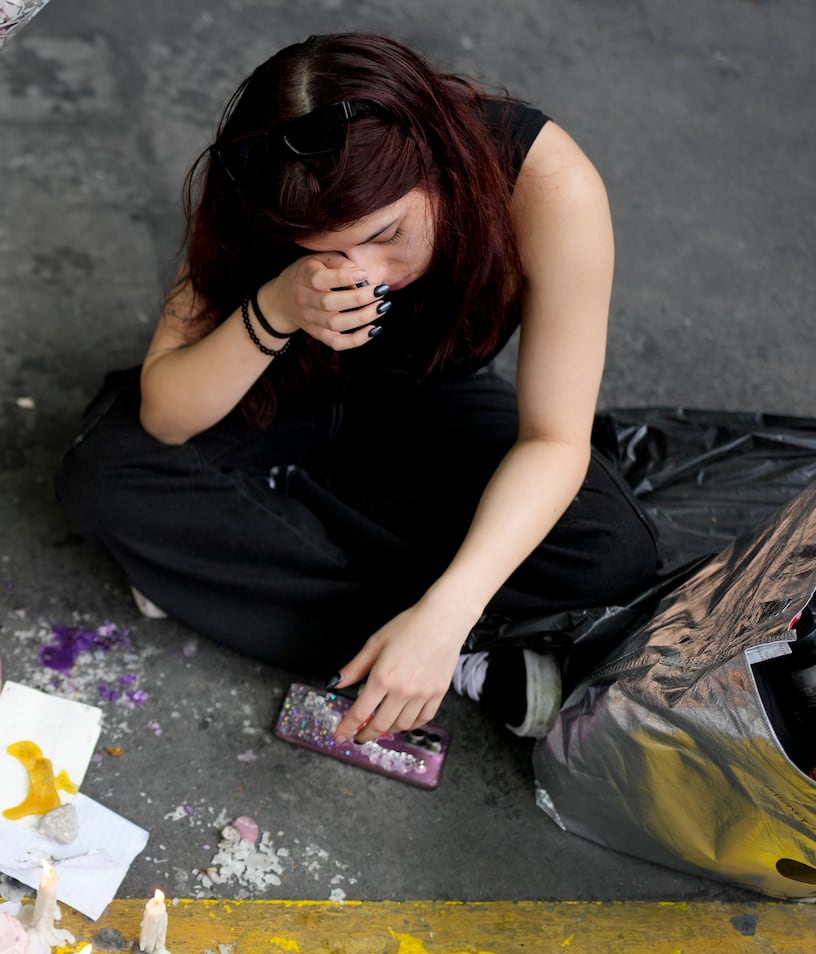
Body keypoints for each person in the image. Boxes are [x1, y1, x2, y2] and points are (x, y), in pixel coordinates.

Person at [56, 33, 661, 743]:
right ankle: (470, 657)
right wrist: (278, 305)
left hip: (428, 402)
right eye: (329, 253)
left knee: (610, 549)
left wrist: (446, 614)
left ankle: (258, 568)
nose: (366, 274)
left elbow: (555, 439)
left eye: (388, 231)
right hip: (284, 384)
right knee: (103, 476)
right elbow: (165, 414)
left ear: (440, 157)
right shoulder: (260, 182)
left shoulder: (548, 183)